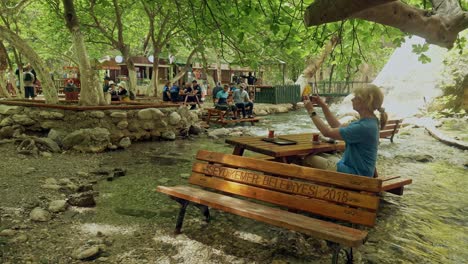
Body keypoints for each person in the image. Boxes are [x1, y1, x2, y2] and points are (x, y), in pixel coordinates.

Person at [303, 84, 388, 177]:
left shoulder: (364, 127)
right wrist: (323, 105)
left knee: (308, 158)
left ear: (365, 102)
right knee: (322, 155)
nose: (352, 99)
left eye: (356, 97)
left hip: (355, 175)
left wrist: (311, 110)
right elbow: (337, 126)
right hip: (357, 170)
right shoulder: (369, 122)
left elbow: (327, 132)